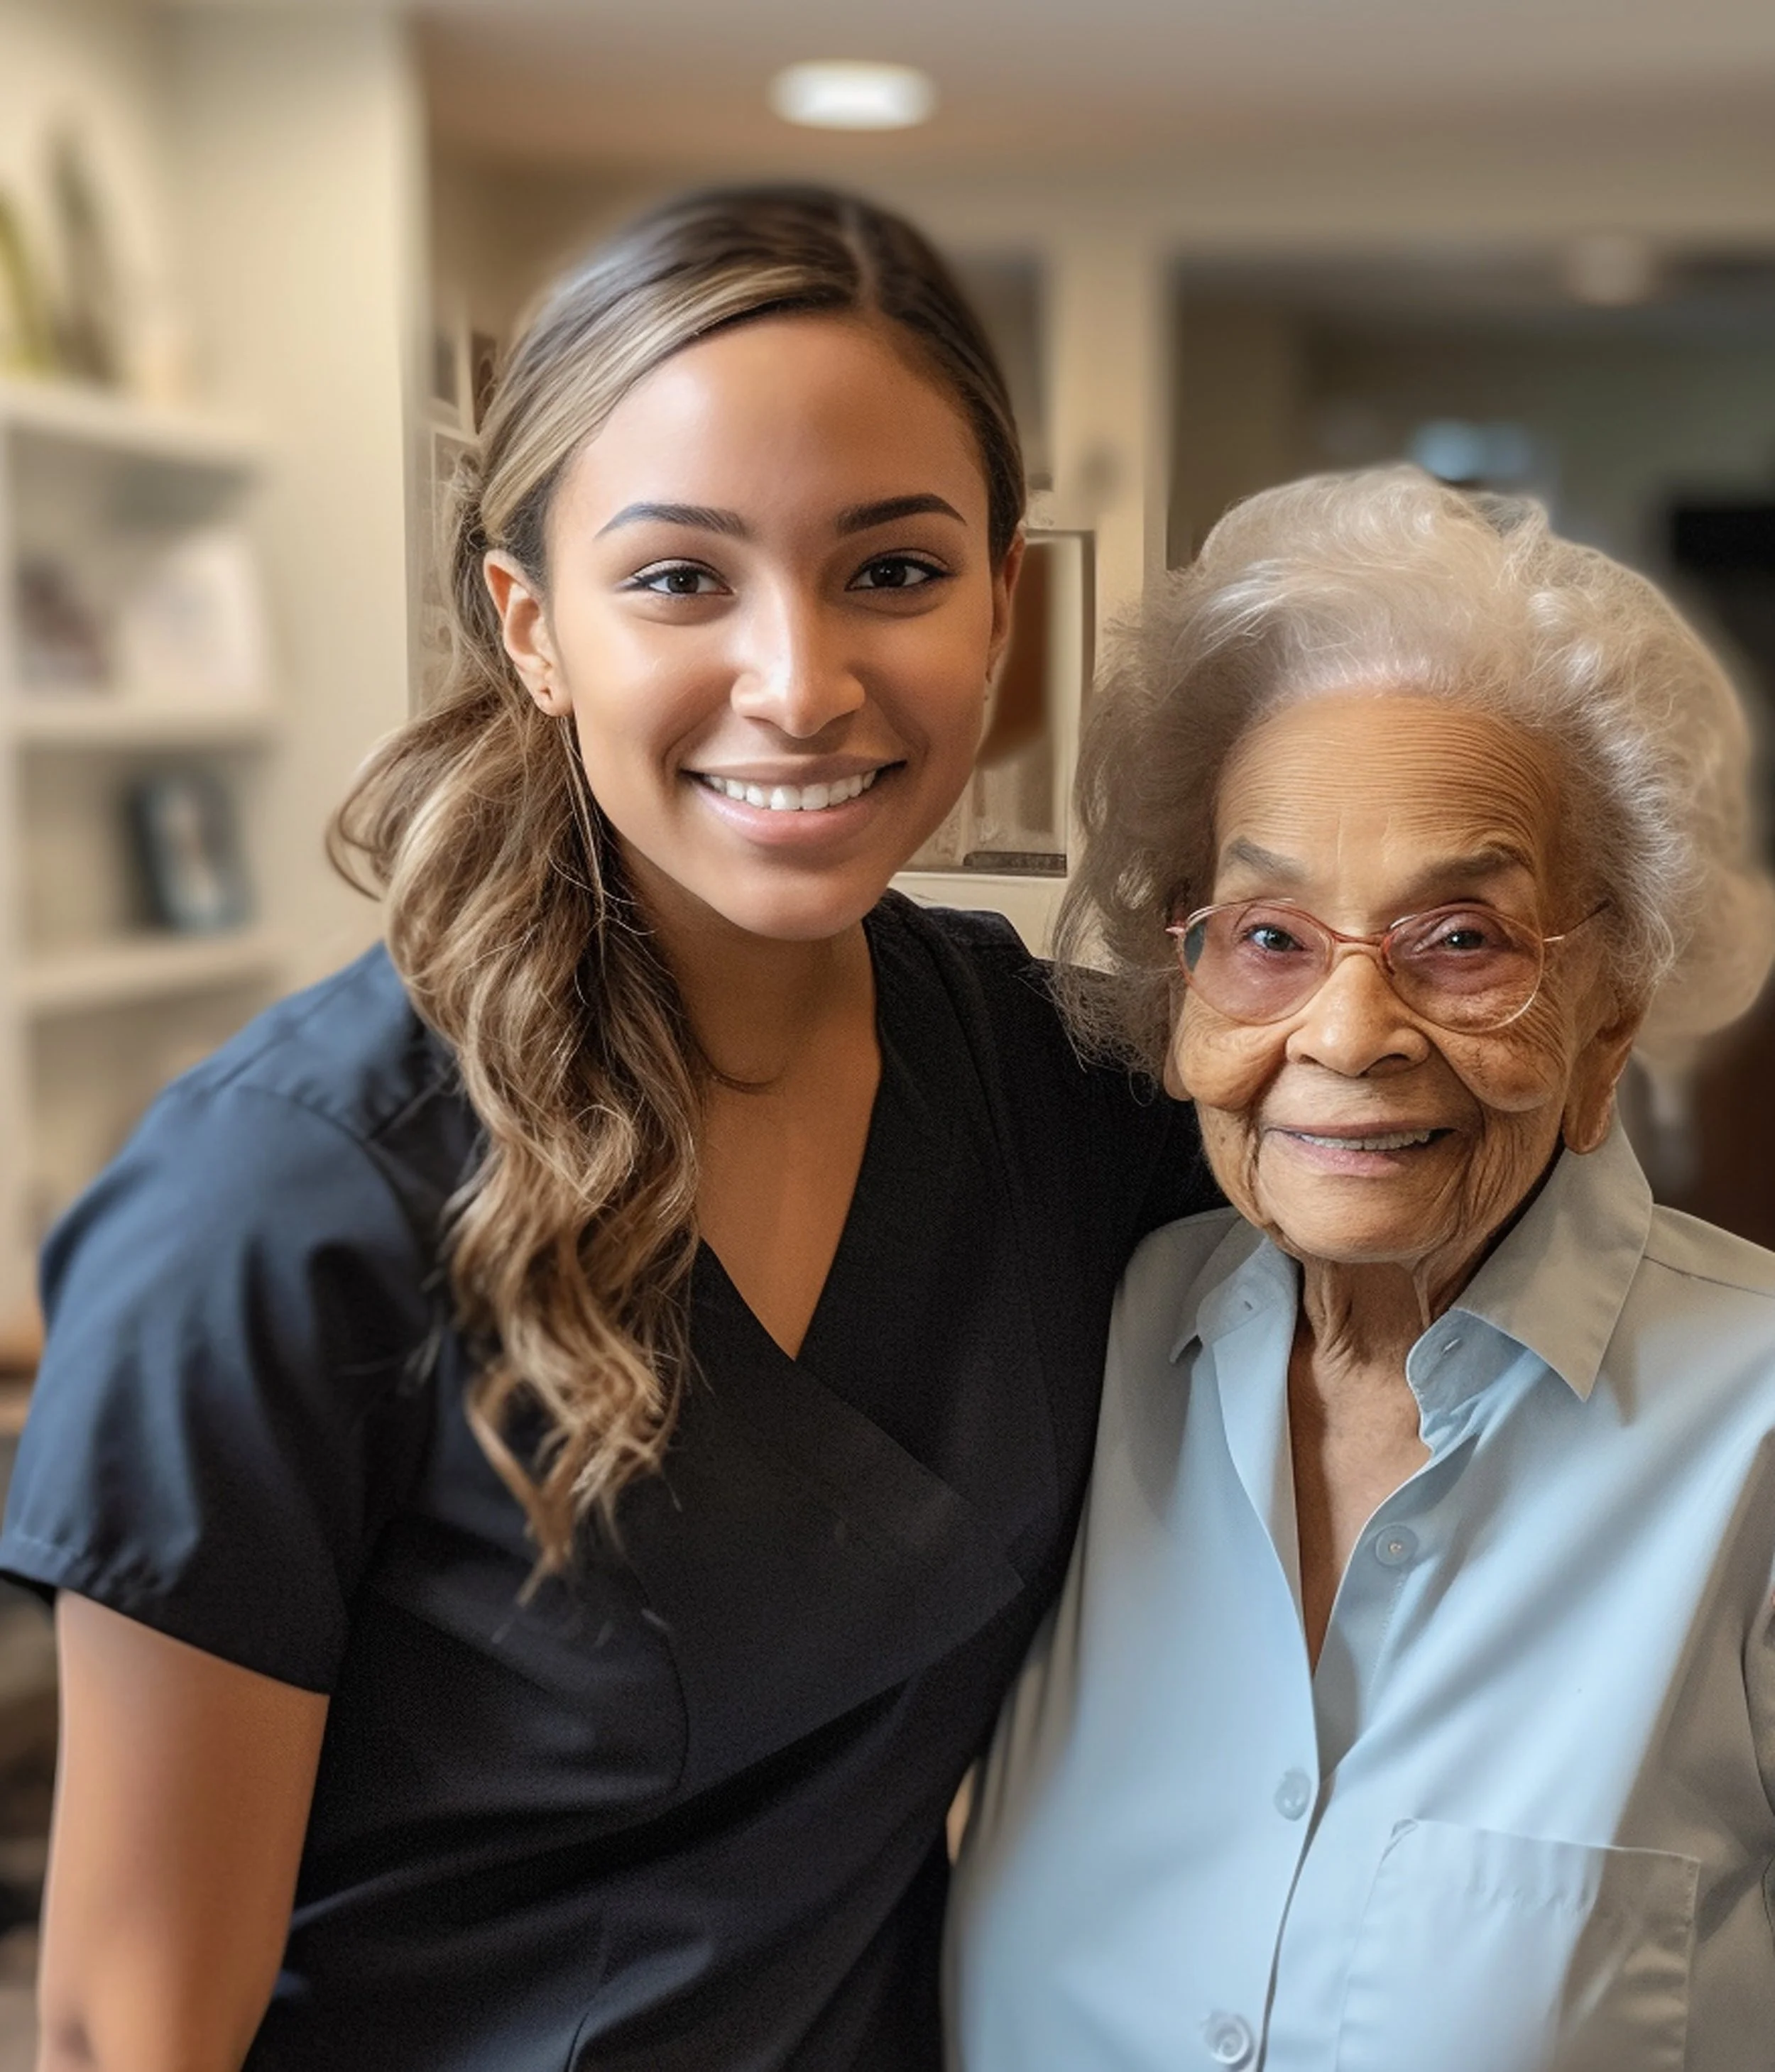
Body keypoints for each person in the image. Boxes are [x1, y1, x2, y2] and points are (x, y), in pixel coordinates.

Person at [0, 186, 1213, 2072]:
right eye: (678, 578)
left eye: (892, 569)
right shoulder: (283, 1198)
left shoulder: (1050, 1080)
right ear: (530, 622)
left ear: (1003, 599)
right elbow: (122, 2026)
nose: (800, 681)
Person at [948, 466, 1775, 2072]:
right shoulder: (1086, 1351)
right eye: (1267, 935)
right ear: (1179, 987)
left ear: (1608, 1014)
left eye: (1459, 939)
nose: (1343, 1031)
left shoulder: (1748, 1436)